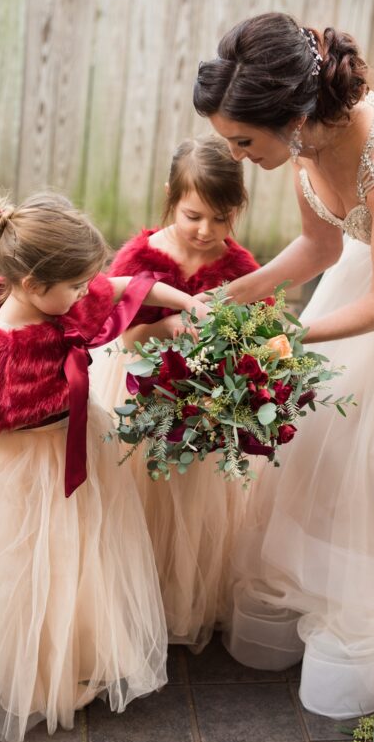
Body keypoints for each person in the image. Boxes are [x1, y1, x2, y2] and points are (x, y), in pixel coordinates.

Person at [193, 12, 374, 734]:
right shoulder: (304, 149)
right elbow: (316, 250)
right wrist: (229, 300)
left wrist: (281, 335)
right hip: (361, 283)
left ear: (293, 116)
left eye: (244, 141)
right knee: (322, 442)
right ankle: (336, 588)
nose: (239, 156)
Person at [0, 191, 209, 742]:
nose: (82, 296)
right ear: (32, 285)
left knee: (84, 554)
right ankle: (41, 675)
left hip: (75, 444)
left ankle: (81, 649)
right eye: (73, 287)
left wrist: (186, 303)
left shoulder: (55, 297)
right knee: (29, 565)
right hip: (26, 467)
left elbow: (120, 288)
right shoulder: (1, 347)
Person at [90, 135, 259, 652]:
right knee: (143, 495)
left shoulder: (240, 267)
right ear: (170, 197)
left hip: (205, 400)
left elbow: (252, 330)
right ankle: (133, 600)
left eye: (221, 218)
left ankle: (179, 599)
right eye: (193, 216)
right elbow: (122, 334)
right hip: (141, 390)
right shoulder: (141, 257)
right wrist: (172, 327)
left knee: (193, 500)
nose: (206, 231)